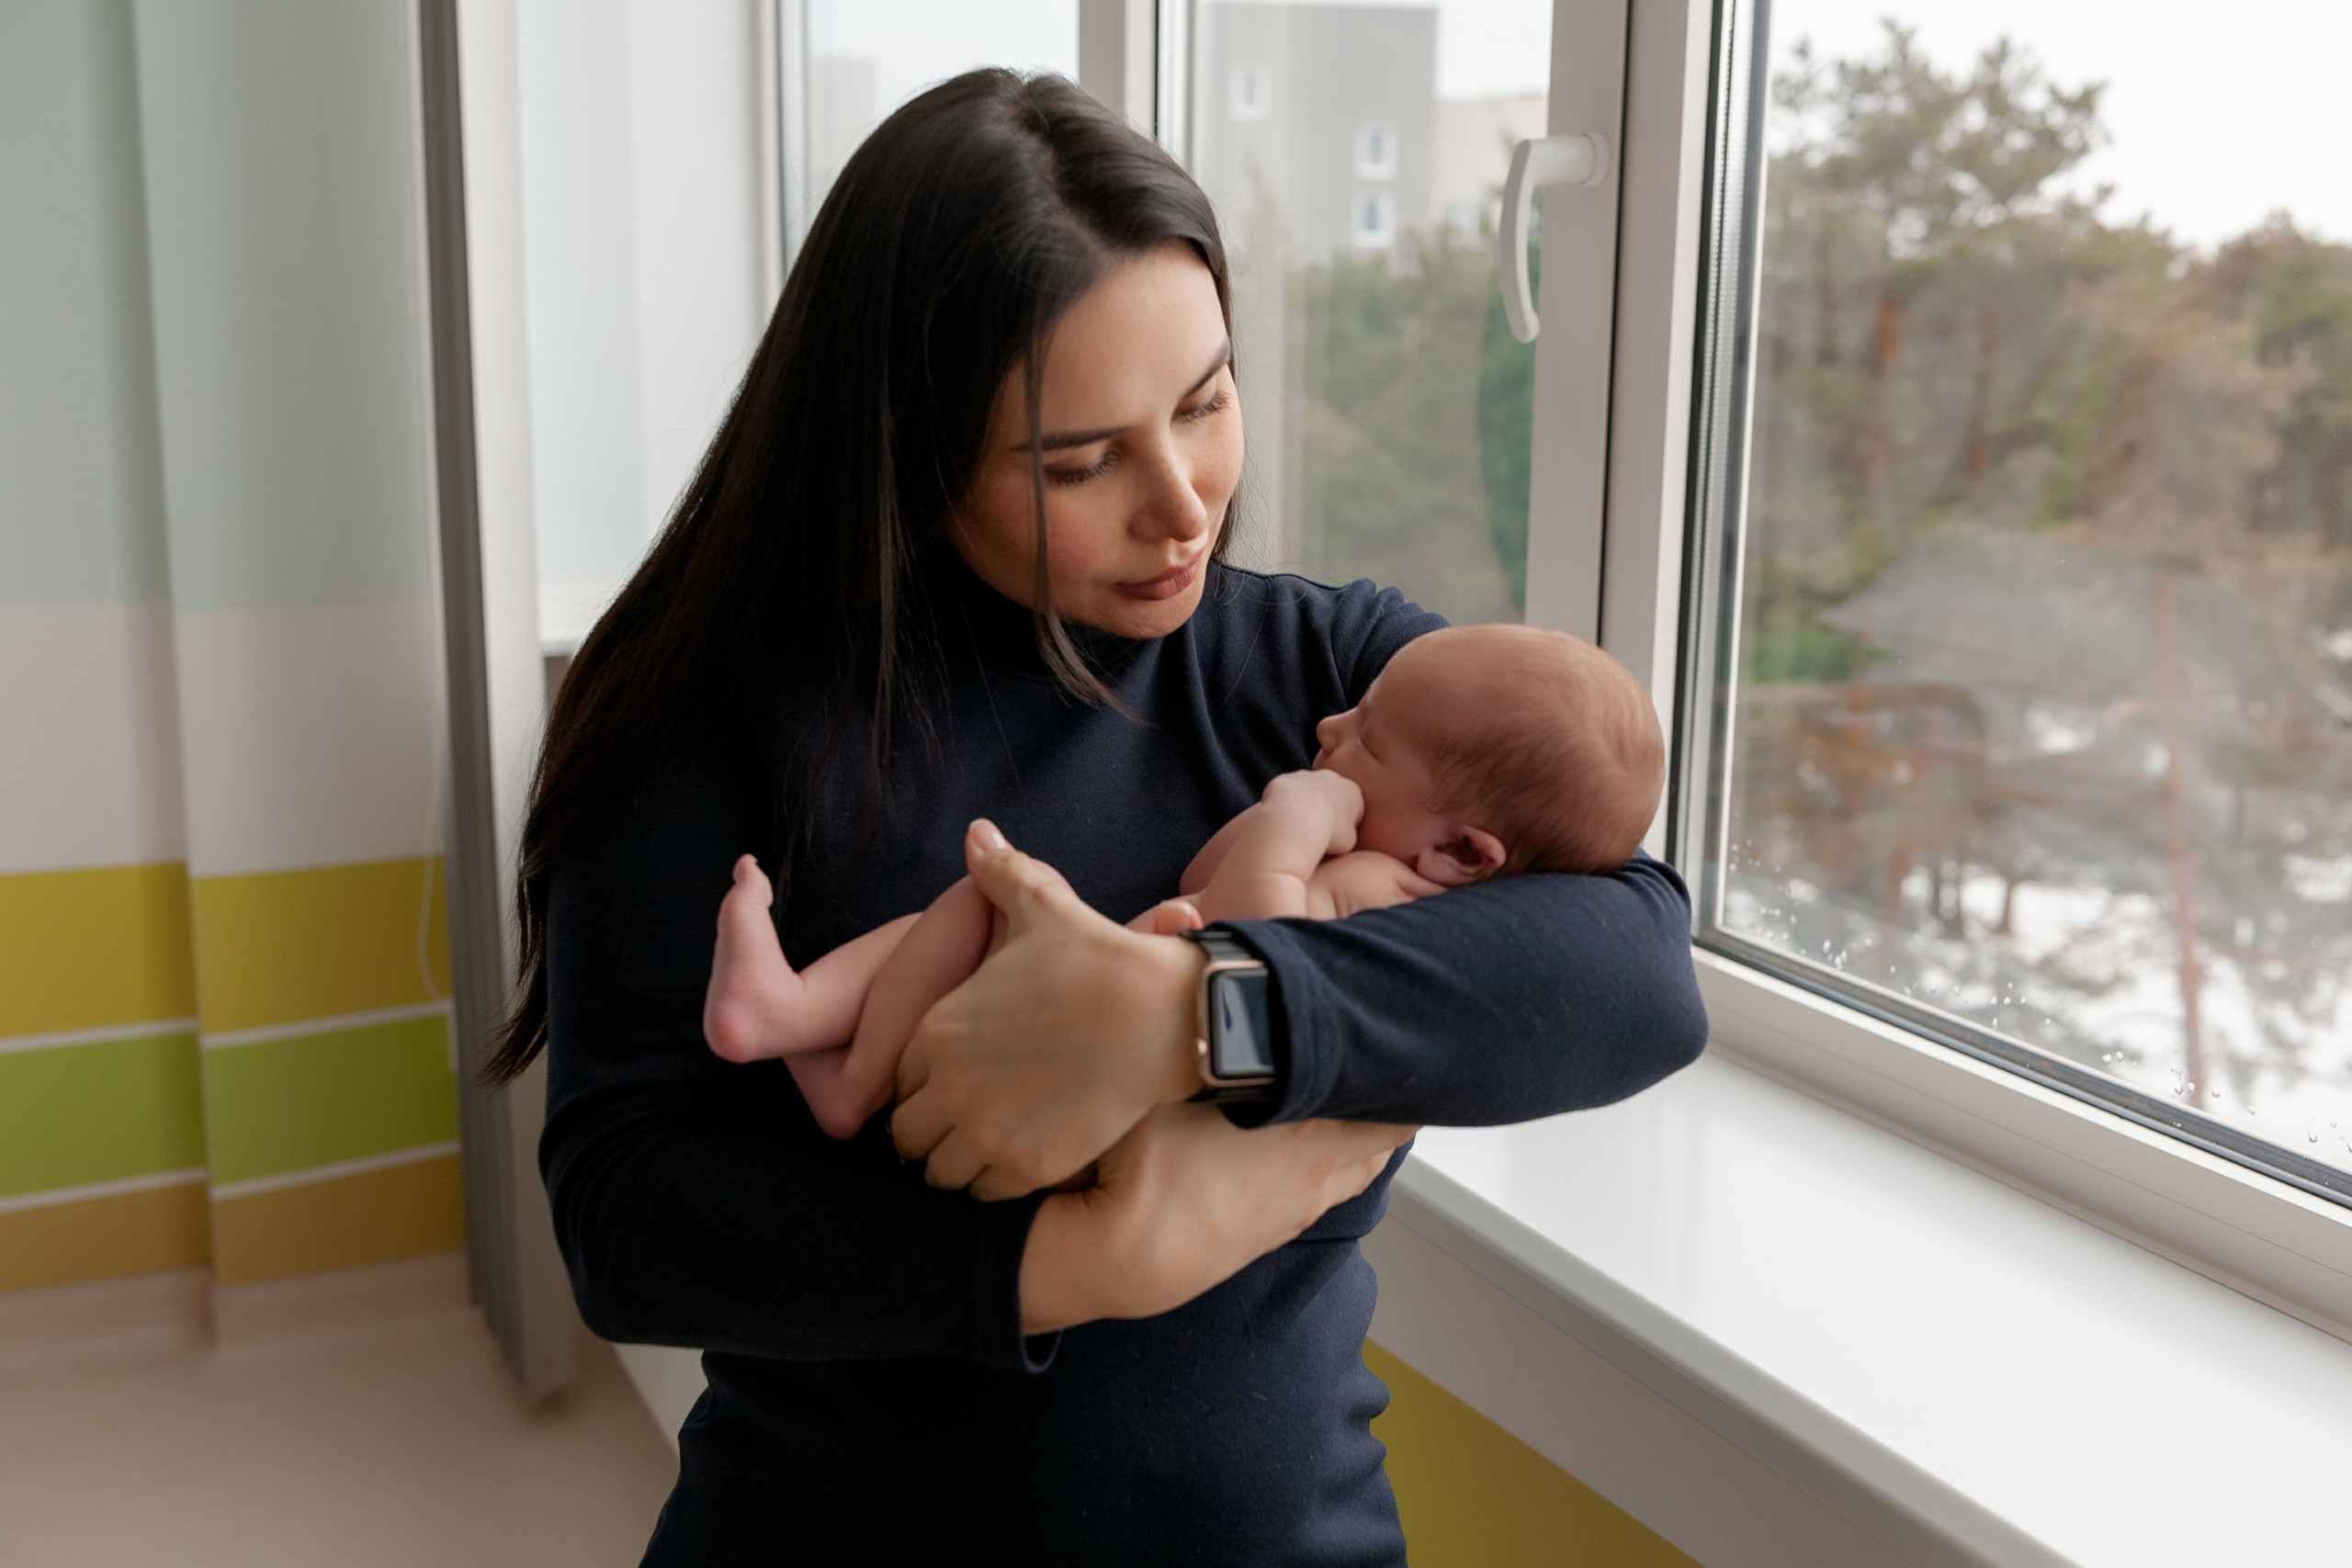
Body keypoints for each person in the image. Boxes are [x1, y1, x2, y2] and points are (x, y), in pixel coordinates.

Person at [489, 69, 1706, 1564]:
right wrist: (1079, 1259)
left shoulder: (1329, 680)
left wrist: (1198, 1009)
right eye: (1080, 460)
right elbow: (630, 1219)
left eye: (1204, 402)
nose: (1184, 503)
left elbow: (1638, 961)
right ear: (907, 450)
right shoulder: (703, 708)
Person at [702, 622, 1668, 1142]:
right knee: (969, 904)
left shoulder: (1390, 892)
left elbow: (1253, 949)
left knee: (977, 904)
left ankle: (832, 1057)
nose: (1330, 726)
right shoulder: (1377, 835)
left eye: (1366, 735)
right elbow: (1212, 884)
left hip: (1106, 1100)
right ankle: (809, 1035)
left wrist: (1288, 830)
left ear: (1464, 854)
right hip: (1075, 1031)